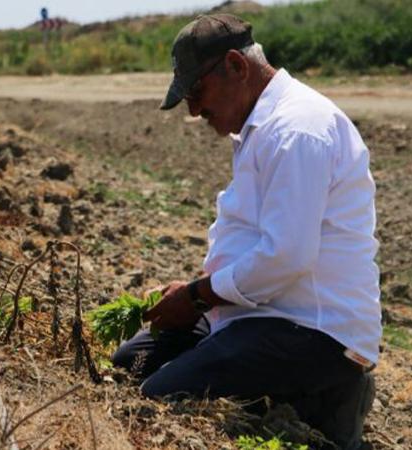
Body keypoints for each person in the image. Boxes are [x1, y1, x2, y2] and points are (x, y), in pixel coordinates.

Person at [111, 14, 380, 450]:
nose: (195, 111)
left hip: (311, 332)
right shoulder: (261, 127)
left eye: (197, 92)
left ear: (236, 66)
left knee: (160, 399)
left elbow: (286, 257)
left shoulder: (298, 130)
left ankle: (329, 398)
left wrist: (197, 297)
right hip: (253, 315)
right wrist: (196, 293)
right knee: (131, 366)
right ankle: (300, 396)